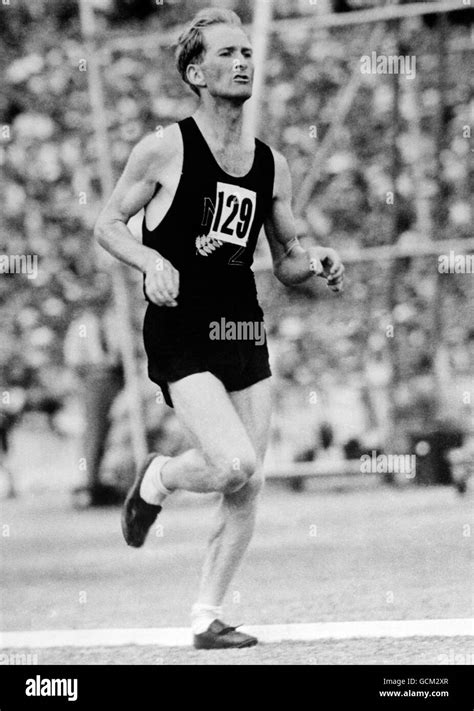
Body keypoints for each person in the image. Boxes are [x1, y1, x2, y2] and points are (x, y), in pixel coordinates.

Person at [94, 7, 344, 649]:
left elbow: (286, 261)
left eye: (246, 52)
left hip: (242, 329)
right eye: (227, 53)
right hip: (181, 328)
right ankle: (160, 477)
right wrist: (150, 260)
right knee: (231, 463)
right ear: (196, 71)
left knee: (249, 479)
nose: (242, 61)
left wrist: (314, 258)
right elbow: (107, 224)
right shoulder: (163, 148)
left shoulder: (271, 164)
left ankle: (206, 615)